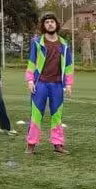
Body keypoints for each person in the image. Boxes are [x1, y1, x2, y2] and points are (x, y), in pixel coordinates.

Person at [25, 12, 73, 156]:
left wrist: (69, 84)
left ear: (56, 24)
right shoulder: (37, 42)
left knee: (57, 115)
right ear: (43, 25)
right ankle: (31, 144)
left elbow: (69, 66)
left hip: (57, 85)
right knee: (36, 115)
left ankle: (58, 144)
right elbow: (32, 62)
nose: (50, 24)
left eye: (52, 21)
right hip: (40, 84)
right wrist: (30, 80)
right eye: (47, 22)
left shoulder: (64, 44)